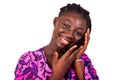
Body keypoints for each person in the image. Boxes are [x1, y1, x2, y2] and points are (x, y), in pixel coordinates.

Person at [14, 3, 99, 80]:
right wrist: (56, 76)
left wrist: (79, 69)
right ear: (55, 22)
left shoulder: (84, 61)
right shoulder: (29, 60)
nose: (70, 35)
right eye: (66, 25)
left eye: (79, 33)